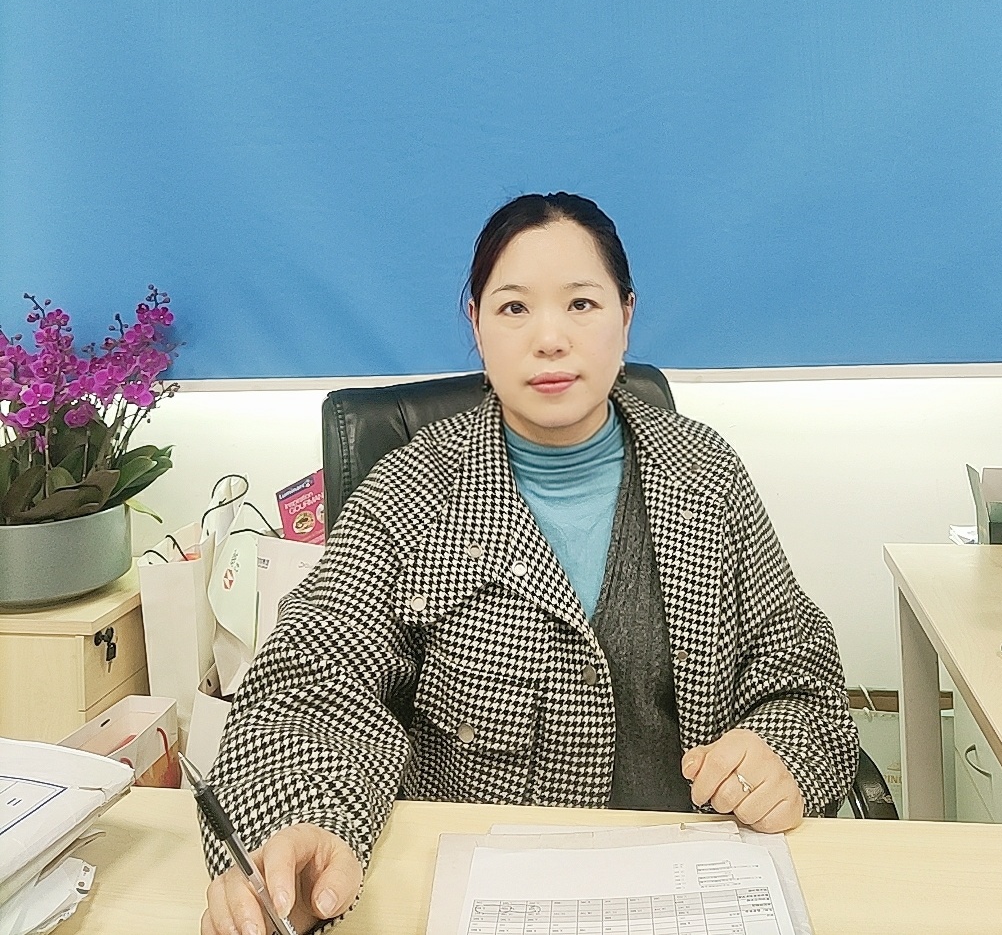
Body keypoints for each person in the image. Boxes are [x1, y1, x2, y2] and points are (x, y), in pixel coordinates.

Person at [200, 192, 859, 935]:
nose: (550, 338)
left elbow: (803, 680)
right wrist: (305, 824)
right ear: (476, 324)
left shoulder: (706, 472)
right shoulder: (408, 491)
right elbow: (307, 689)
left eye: (582, 304)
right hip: (479, 900)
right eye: (514, 308)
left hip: (691, 888)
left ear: (626, 317)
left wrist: (780, 755)